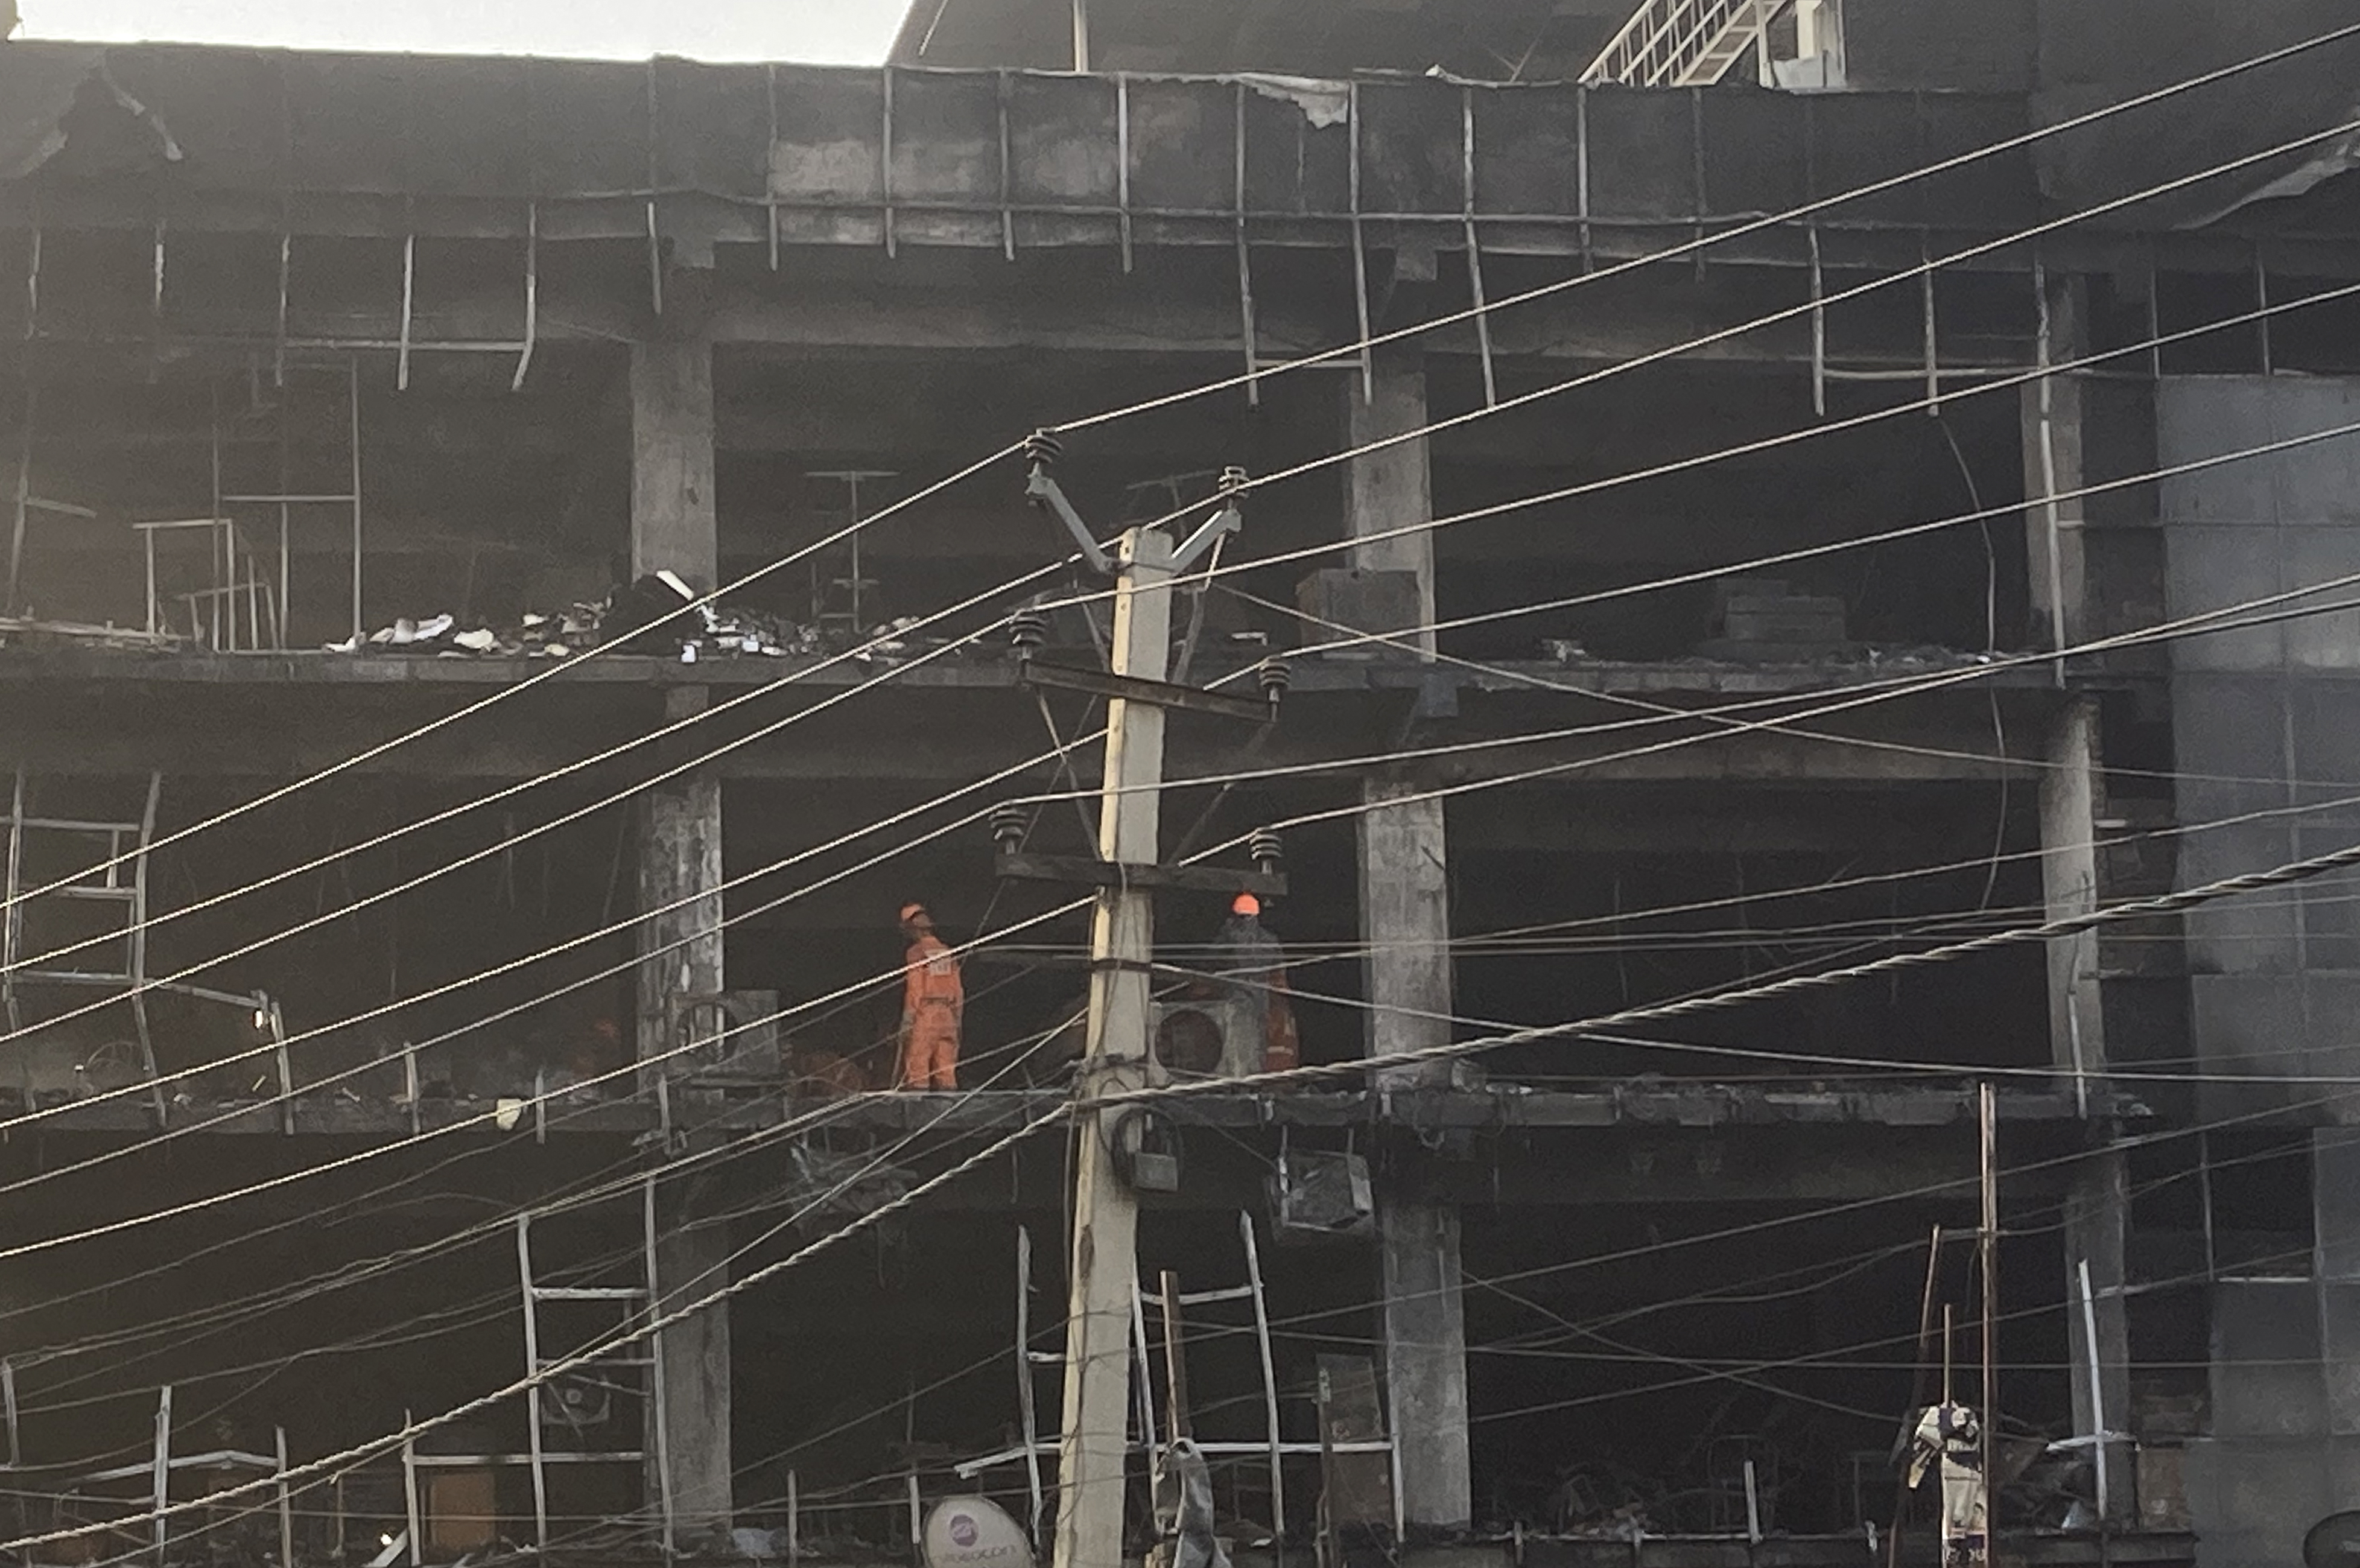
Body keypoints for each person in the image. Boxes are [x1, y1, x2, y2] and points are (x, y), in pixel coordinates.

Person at [1213, 893, 1298, 1075]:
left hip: (1249, 1002)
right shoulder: (1261, 940)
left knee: (1248, 1045)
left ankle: (1249, 1079)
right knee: (1239, 1046)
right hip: (1241, 1001)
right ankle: (1246, 1078)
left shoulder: (1231, 937)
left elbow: (1278, 978)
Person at [895, 901, 962, 1090]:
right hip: (948, 1015)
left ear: (911, 929)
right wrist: (957, 1020)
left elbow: (915, 990)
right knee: (946, 1071)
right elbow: (958, 990)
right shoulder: (947, 952)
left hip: (926, 1016)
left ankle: (919, 1114)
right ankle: (948, 1111)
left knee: (918, 1070)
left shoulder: (916, 953)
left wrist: (907, 1022)